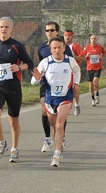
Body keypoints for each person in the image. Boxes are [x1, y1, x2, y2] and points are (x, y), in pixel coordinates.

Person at [0, 16, 34, 163]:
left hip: (13, 87)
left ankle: (14, 148)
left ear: (11, 29)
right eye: (1, 27)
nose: (3, 29)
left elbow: (29, 63)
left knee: (13, 121)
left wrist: (19, 67)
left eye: (6, 27)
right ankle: (2, 142)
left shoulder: (17, 46)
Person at [31, 37, 81, 167]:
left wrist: (76, 83)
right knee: (53, 126)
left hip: (65, 97)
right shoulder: (45, 62)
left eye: (59, 47)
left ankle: (57, 154)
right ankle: (58, 144)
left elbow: (77, 71)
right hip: (50, 98)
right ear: (51, 49)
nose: (57, 50)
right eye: (54, 48)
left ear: (64, 48)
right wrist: (36, 79)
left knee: (59, 125)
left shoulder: (70, 61)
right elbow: (33, 80)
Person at [37, 22, 73, 153]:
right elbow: (40, 65)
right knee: (44, 109)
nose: (49, 32)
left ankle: (61, 136)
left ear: (57, 32)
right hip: (46, 84)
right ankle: (47, 138)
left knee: (60, 113)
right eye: (47, 30)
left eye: (52, 30)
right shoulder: (41, 48)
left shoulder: (64, 47)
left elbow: (70, 65)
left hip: (62, 85)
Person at [63, 30, 85, 116]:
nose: (67, 37)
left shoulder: (75, 46)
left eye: (69, 35)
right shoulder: (60, 45)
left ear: (72, 36)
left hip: (74, 71)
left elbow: (83, 58)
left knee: (74, 90)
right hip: (63, 72)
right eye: (65, 35)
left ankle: (77, 105)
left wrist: (73, 56)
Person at [80, 35, 106, 106]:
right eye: (92, 38)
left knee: (95, 82)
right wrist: (86, 56)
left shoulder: (100, 47)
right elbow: (82, 57)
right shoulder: (87, 47)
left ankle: (97, 94)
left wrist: (101, 55)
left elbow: (104, 53)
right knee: (91, 85)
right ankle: (92, 99)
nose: (93, 40)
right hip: (89, 68)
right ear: (90, 39)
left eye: (95, 38)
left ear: (96, 40)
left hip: (98, 68)